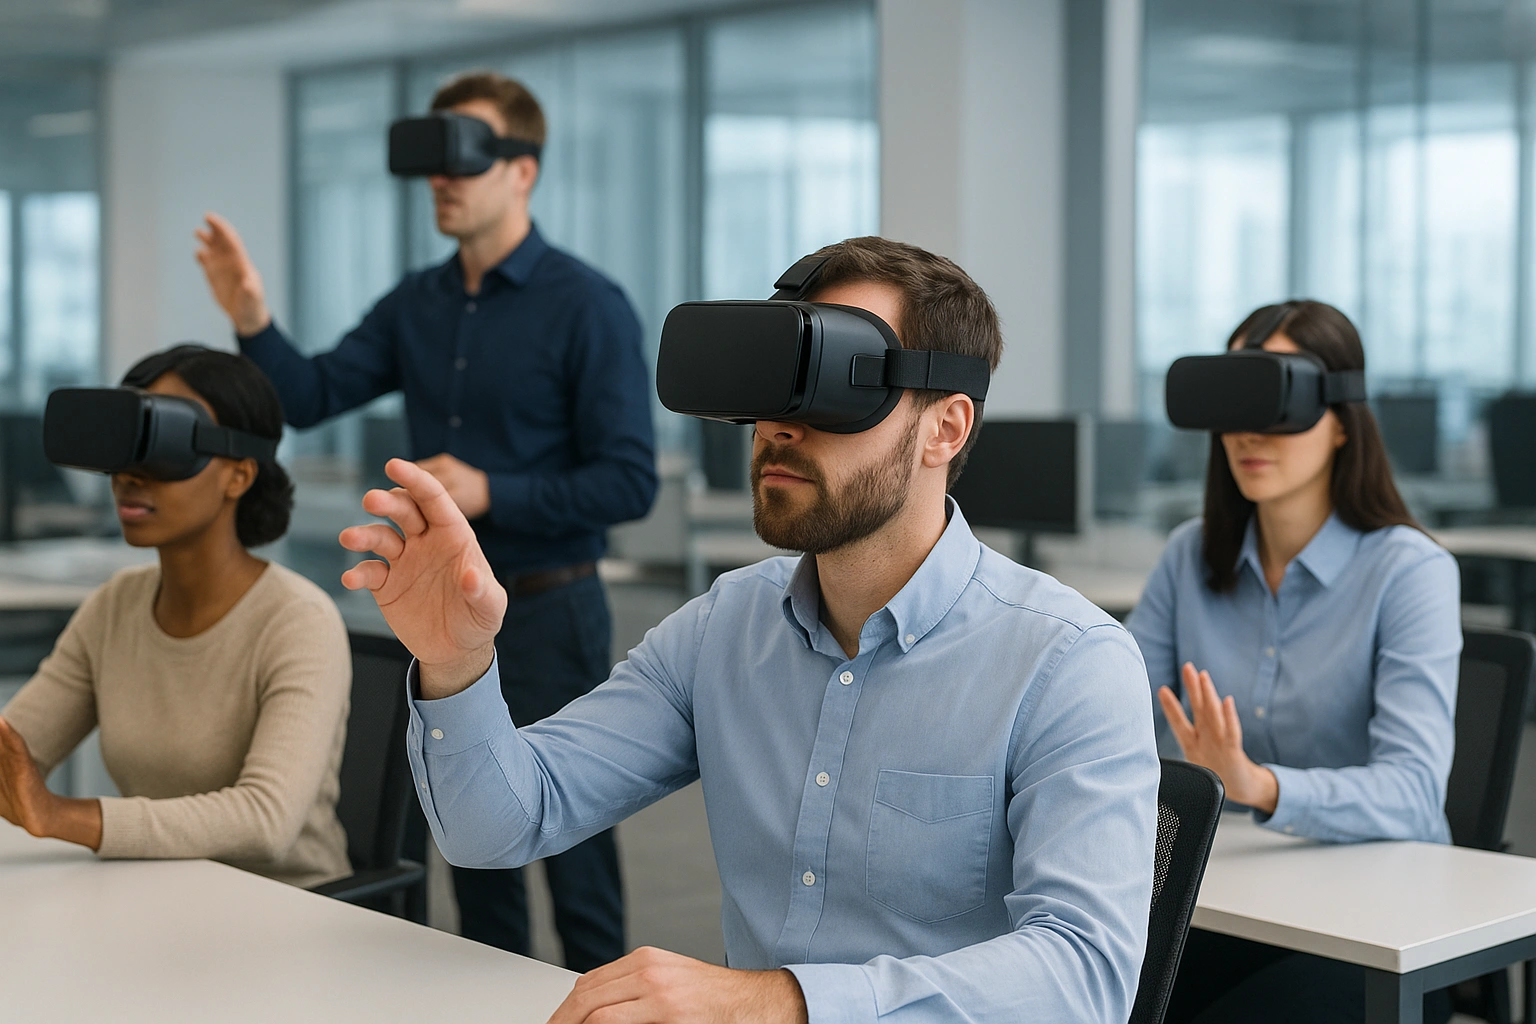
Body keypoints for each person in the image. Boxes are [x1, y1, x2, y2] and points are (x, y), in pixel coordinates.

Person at [338, 236, 1161, 1023]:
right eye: (770, 387)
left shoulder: (1067, 663)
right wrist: (456, 662)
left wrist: (778, 1004)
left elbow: (1084, 976)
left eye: (836, 383)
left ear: (945, 428)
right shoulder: (724, 628)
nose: (777, 425)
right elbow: (503, 825)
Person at [193, 71, 656, 967]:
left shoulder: (588, 306)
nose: (443, 179)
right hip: (443, 623)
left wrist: (491, 490)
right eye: (433, 161)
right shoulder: (419, 302)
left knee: (574, 848)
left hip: (550, 612)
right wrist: (251, 316)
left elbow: (628, 483)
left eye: (465, 157)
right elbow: (312, 392)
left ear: (522, 169)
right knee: (474, 840)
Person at [1126, 300, 1462, 1024]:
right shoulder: (1190, 557)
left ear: (1341, 418)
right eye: (1234, 401)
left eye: (1276, 401)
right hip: (1226, 901)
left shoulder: (1410, 572)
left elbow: (1414, 791)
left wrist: (1261, 786)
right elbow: (1114, 716)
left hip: (1377, 927)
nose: (1248, 431)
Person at [0, 345, 351, 889]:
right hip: (152, 895)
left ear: (238, 475)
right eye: (126, 442)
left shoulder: (298, 620)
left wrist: (62, 816)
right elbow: (16, 751)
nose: (129, 476)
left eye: (160, 442)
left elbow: (266, 821)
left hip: (290, 914)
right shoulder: (116, 606)